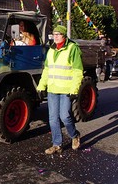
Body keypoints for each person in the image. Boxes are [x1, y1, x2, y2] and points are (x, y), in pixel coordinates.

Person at [37, 25, 83, 154]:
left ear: (64, 36)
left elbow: (77, 71)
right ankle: (57, 144)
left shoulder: (72, 48)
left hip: (66, 90)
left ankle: (74, 135)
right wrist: (41, 86)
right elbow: (47, 70)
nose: (55, 37)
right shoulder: (51, 50)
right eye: (54, 34)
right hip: (52, 89)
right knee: (52, 118)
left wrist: (75, 89)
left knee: (65, 116)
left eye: (58, 34)